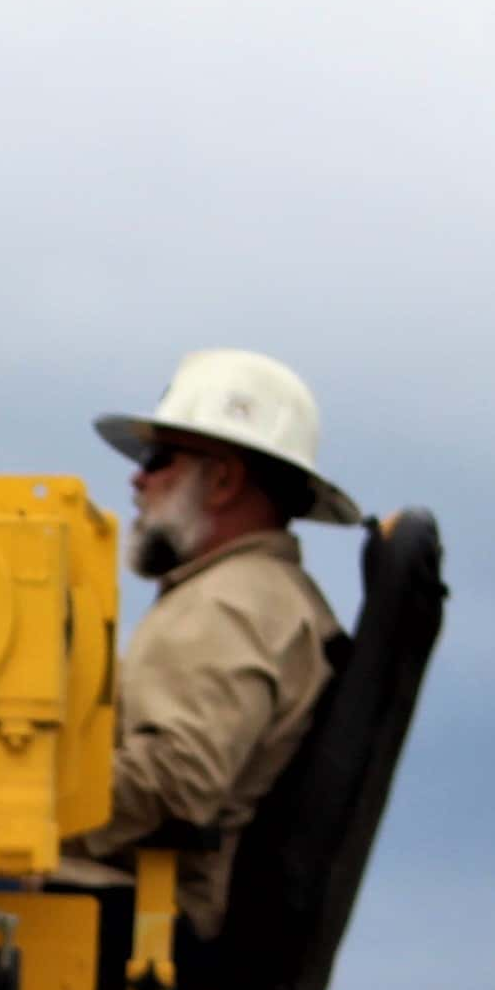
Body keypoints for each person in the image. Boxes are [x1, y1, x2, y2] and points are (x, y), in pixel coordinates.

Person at [78, 346, 360, 942]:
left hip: (144, 917)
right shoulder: (259, 597)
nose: (137, 478)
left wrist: (10, 808)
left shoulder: (230, 603)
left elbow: (175, 780)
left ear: (226, 479)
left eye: (159, 458)